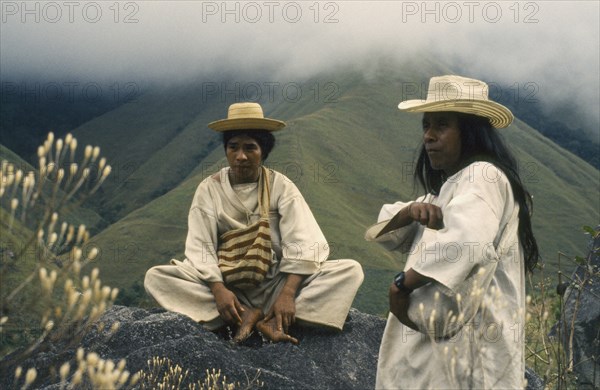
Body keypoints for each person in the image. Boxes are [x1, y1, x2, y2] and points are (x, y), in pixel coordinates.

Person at [365, 75, 539, 389]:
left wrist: (402, 285)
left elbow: (466, 242)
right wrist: (409, 212)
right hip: (443, 351)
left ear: (470, 132)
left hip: (466, 354)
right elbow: (383, 232)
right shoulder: (449, 188)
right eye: (426, 125)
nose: (429, 136)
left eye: (442, 125)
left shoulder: (482, 176)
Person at [145, 102, 363, 345]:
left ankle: (269, 317)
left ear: (263, 151)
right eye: (233, 147)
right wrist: (218, 290)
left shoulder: (281, 186)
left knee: (349, 271)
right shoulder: (209, 190)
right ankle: (247, 316)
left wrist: (288, 294)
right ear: (225, 150)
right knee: (156, 277)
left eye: (250, 148)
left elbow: (306, 243)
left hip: (276, 284)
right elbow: (200, 247)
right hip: (228, 289)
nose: (241, 156)